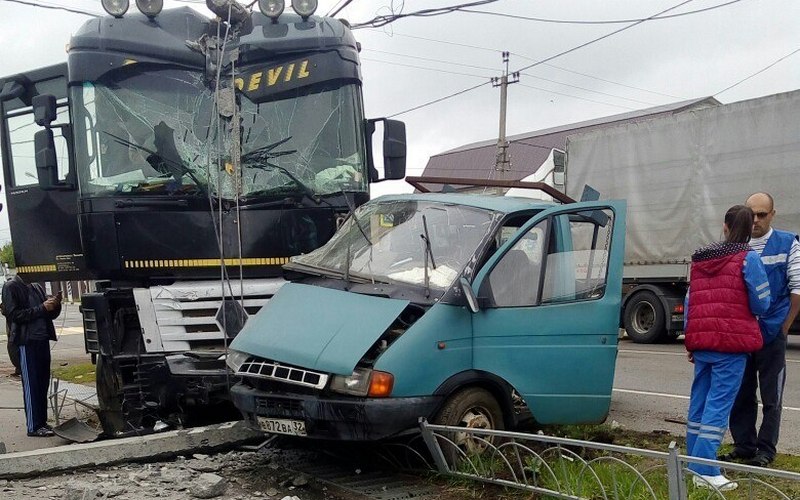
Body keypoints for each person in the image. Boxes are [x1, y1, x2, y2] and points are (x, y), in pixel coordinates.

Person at [684, 205, 770, 491]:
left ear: (724, 226)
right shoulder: (748, 258)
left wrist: (691, 338)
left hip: (703, 343)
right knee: (719, 406)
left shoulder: (699, 259)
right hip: (731, 345)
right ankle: (705, 469)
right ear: (748, 231)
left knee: (699, 402)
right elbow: (762, 303)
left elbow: (690, 303)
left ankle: (692, 462)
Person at [720, 192, 800, 467]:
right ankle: (744, 446)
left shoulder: (788, 243)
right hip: (741, 335)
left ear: (773, 214)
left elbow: (797, 287)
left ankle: (766, 450)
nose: (755, 219)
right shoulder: (735, 246)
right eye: (751, 213)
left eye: (762, 214)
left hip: (771, 333)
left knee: (771, 396)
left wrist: (785, 326)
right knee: (741, 393)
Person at [1, 275, 61, 437]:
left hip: (42, 339)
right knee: (32, 384)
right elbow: (14, 315)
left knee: (42, 383)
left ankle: (41, 422)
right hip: (26, 342)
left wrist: (55, 305)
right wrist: (42, 308)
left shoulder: (36, 287)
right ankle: (33, 425)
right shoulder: (11, 286)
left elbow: (48, 315)